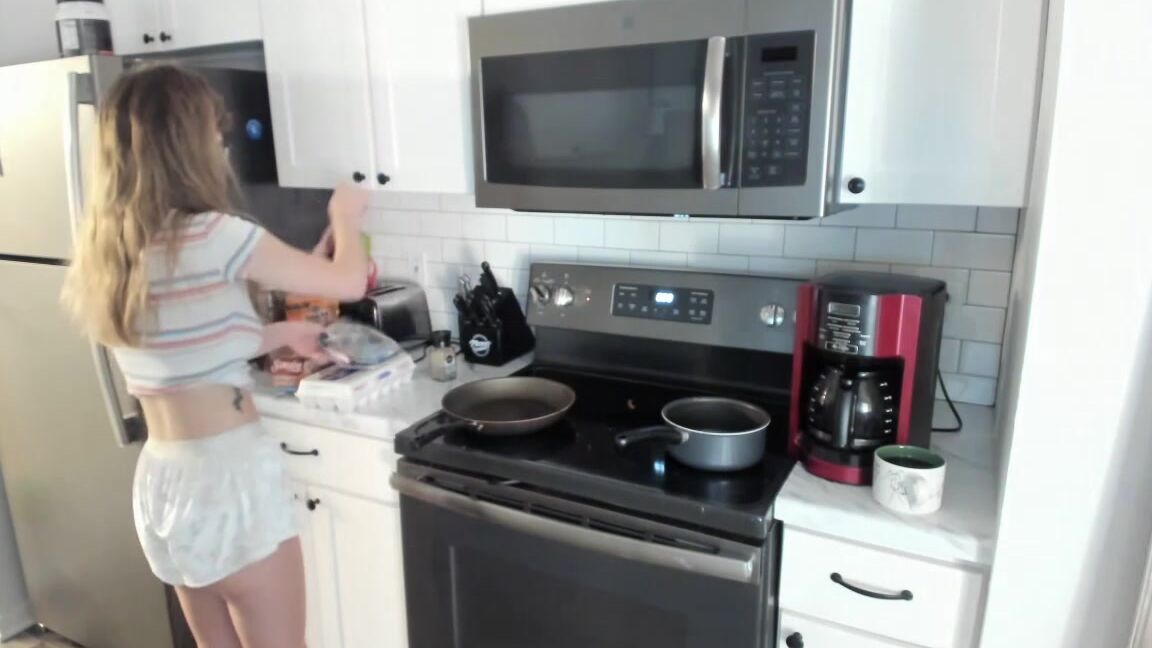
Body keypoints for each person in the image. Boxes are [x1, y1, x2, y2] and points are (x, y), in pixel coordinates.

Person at [62, 64, 370, 648]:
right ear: (187, 144)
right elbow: (351, 280)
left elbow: (185, 351)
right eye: (213, 130)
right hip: (230, 478)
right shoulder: (218, 234)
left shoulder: (116, 248)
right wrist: (345, 216)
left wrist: (279, 335)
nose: (222, 142)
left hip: (164, 480)